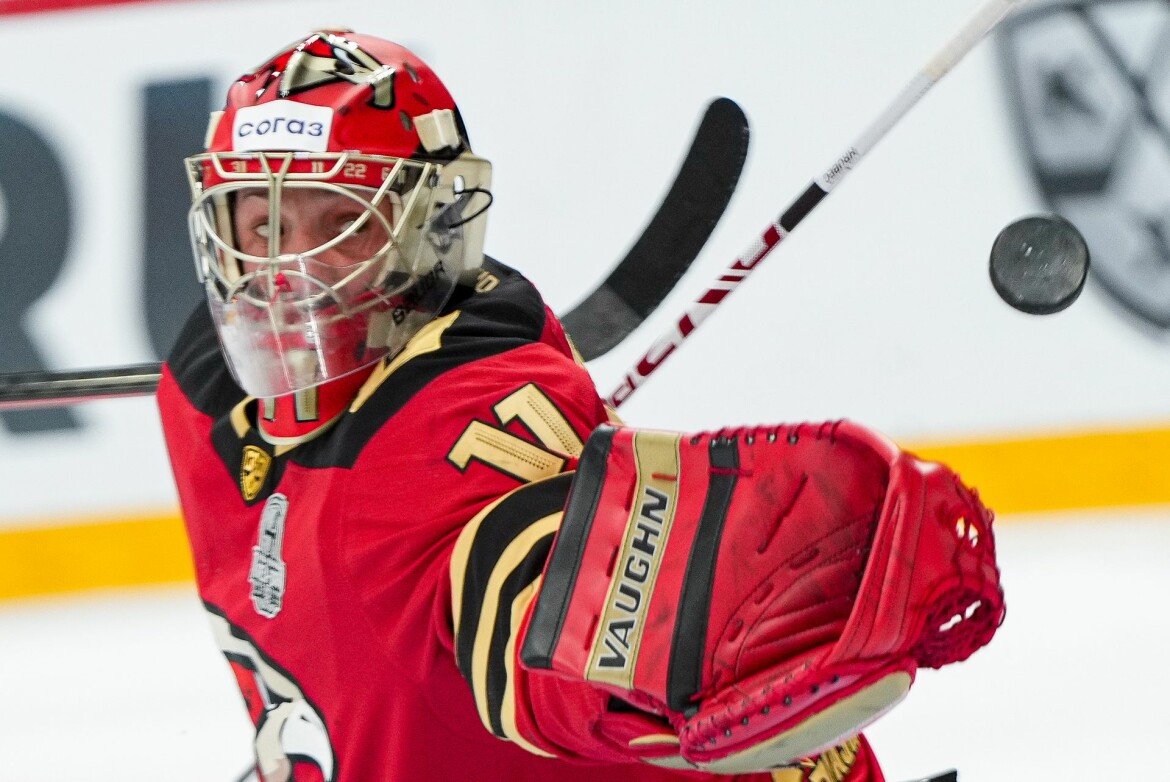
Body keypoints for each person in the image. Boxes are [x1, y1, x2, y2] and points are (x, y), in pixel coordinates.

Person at [156, 30, 1005, 782]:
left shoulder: (456, 426)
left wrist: (647, 647)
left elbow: (535, 628)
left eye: (343, 222)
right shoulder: (199, 393)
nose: (290, 273)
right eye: (262, 225)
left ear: (429, 228)